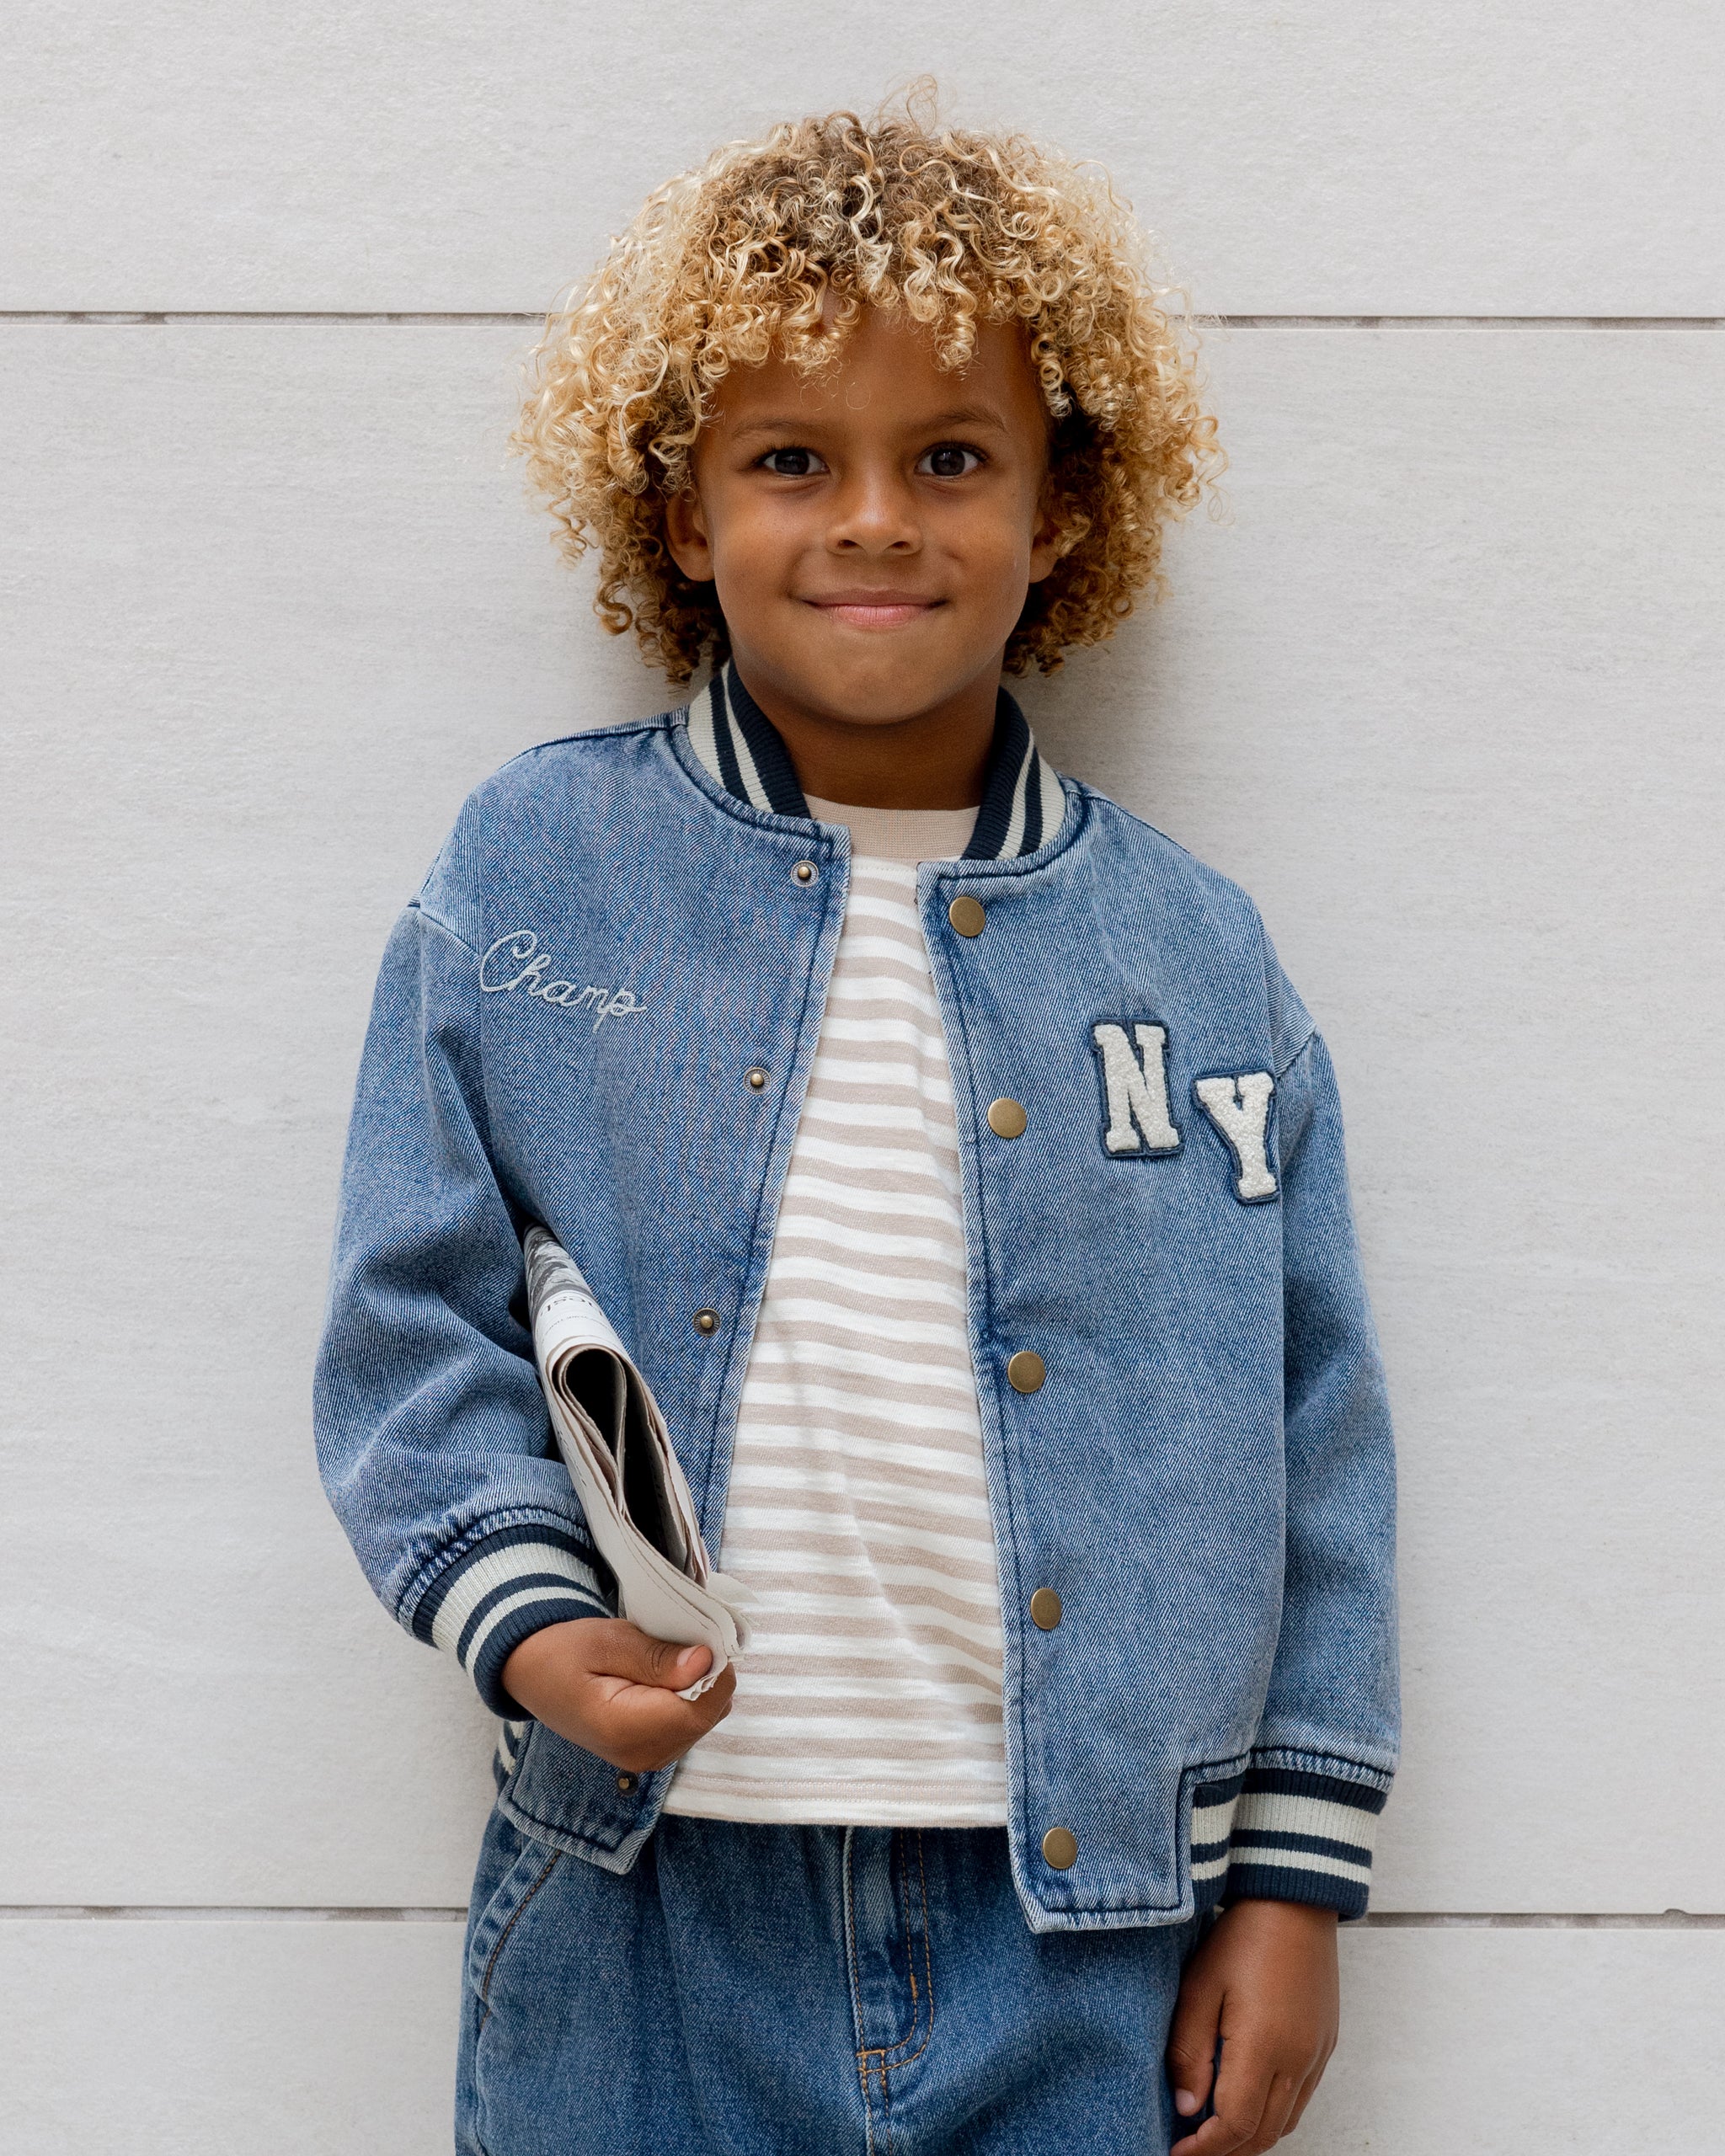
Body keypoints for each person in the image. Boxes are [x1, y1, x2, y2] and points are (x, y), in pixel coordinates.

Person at [315, 94, 1398, 2156]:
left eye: (952, 457)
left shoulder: (1196, 950)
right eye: (793, 458)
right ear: (679, 509)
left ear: (1064, 508)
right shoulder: (535, 877)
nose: (876, 520)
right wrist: (529, 1620)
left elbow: (1313, 1419)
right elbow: (413, 1317)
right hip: (645, 1905)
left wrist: (1292, 1879)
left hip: (1087, 1925)